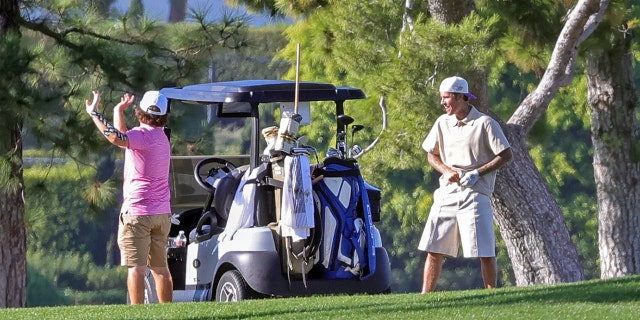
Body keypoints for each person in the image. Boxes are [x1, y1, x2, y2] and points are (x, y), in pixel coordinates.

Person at [418, 76, 513, 293]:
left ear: (461, 97)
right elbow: (431, 155)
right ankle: (425, 295)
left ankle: (492, 294)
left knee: (485, 250)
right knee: (434, 247)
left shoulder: (485, 123)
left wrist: (478, 173)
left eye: (447, 98)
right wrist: (447, 170)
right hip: (447, 192)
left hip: (476, 193)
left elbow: (506, 154)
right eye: (442, 98)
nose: (443, 103)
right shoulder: (442, 123)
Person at [85, 90, 173, 303]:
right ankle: (169, 313)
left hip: (137, 215)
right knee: (161, 270)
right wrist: (118, 110)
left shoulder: (142, 137)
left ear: (140, 112)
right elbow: (124, 136)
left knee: (136, 270)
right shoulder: (161, 136)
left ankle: (137, 314)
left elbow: (116, 137)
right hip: (161, 214)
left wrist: (94, 113)